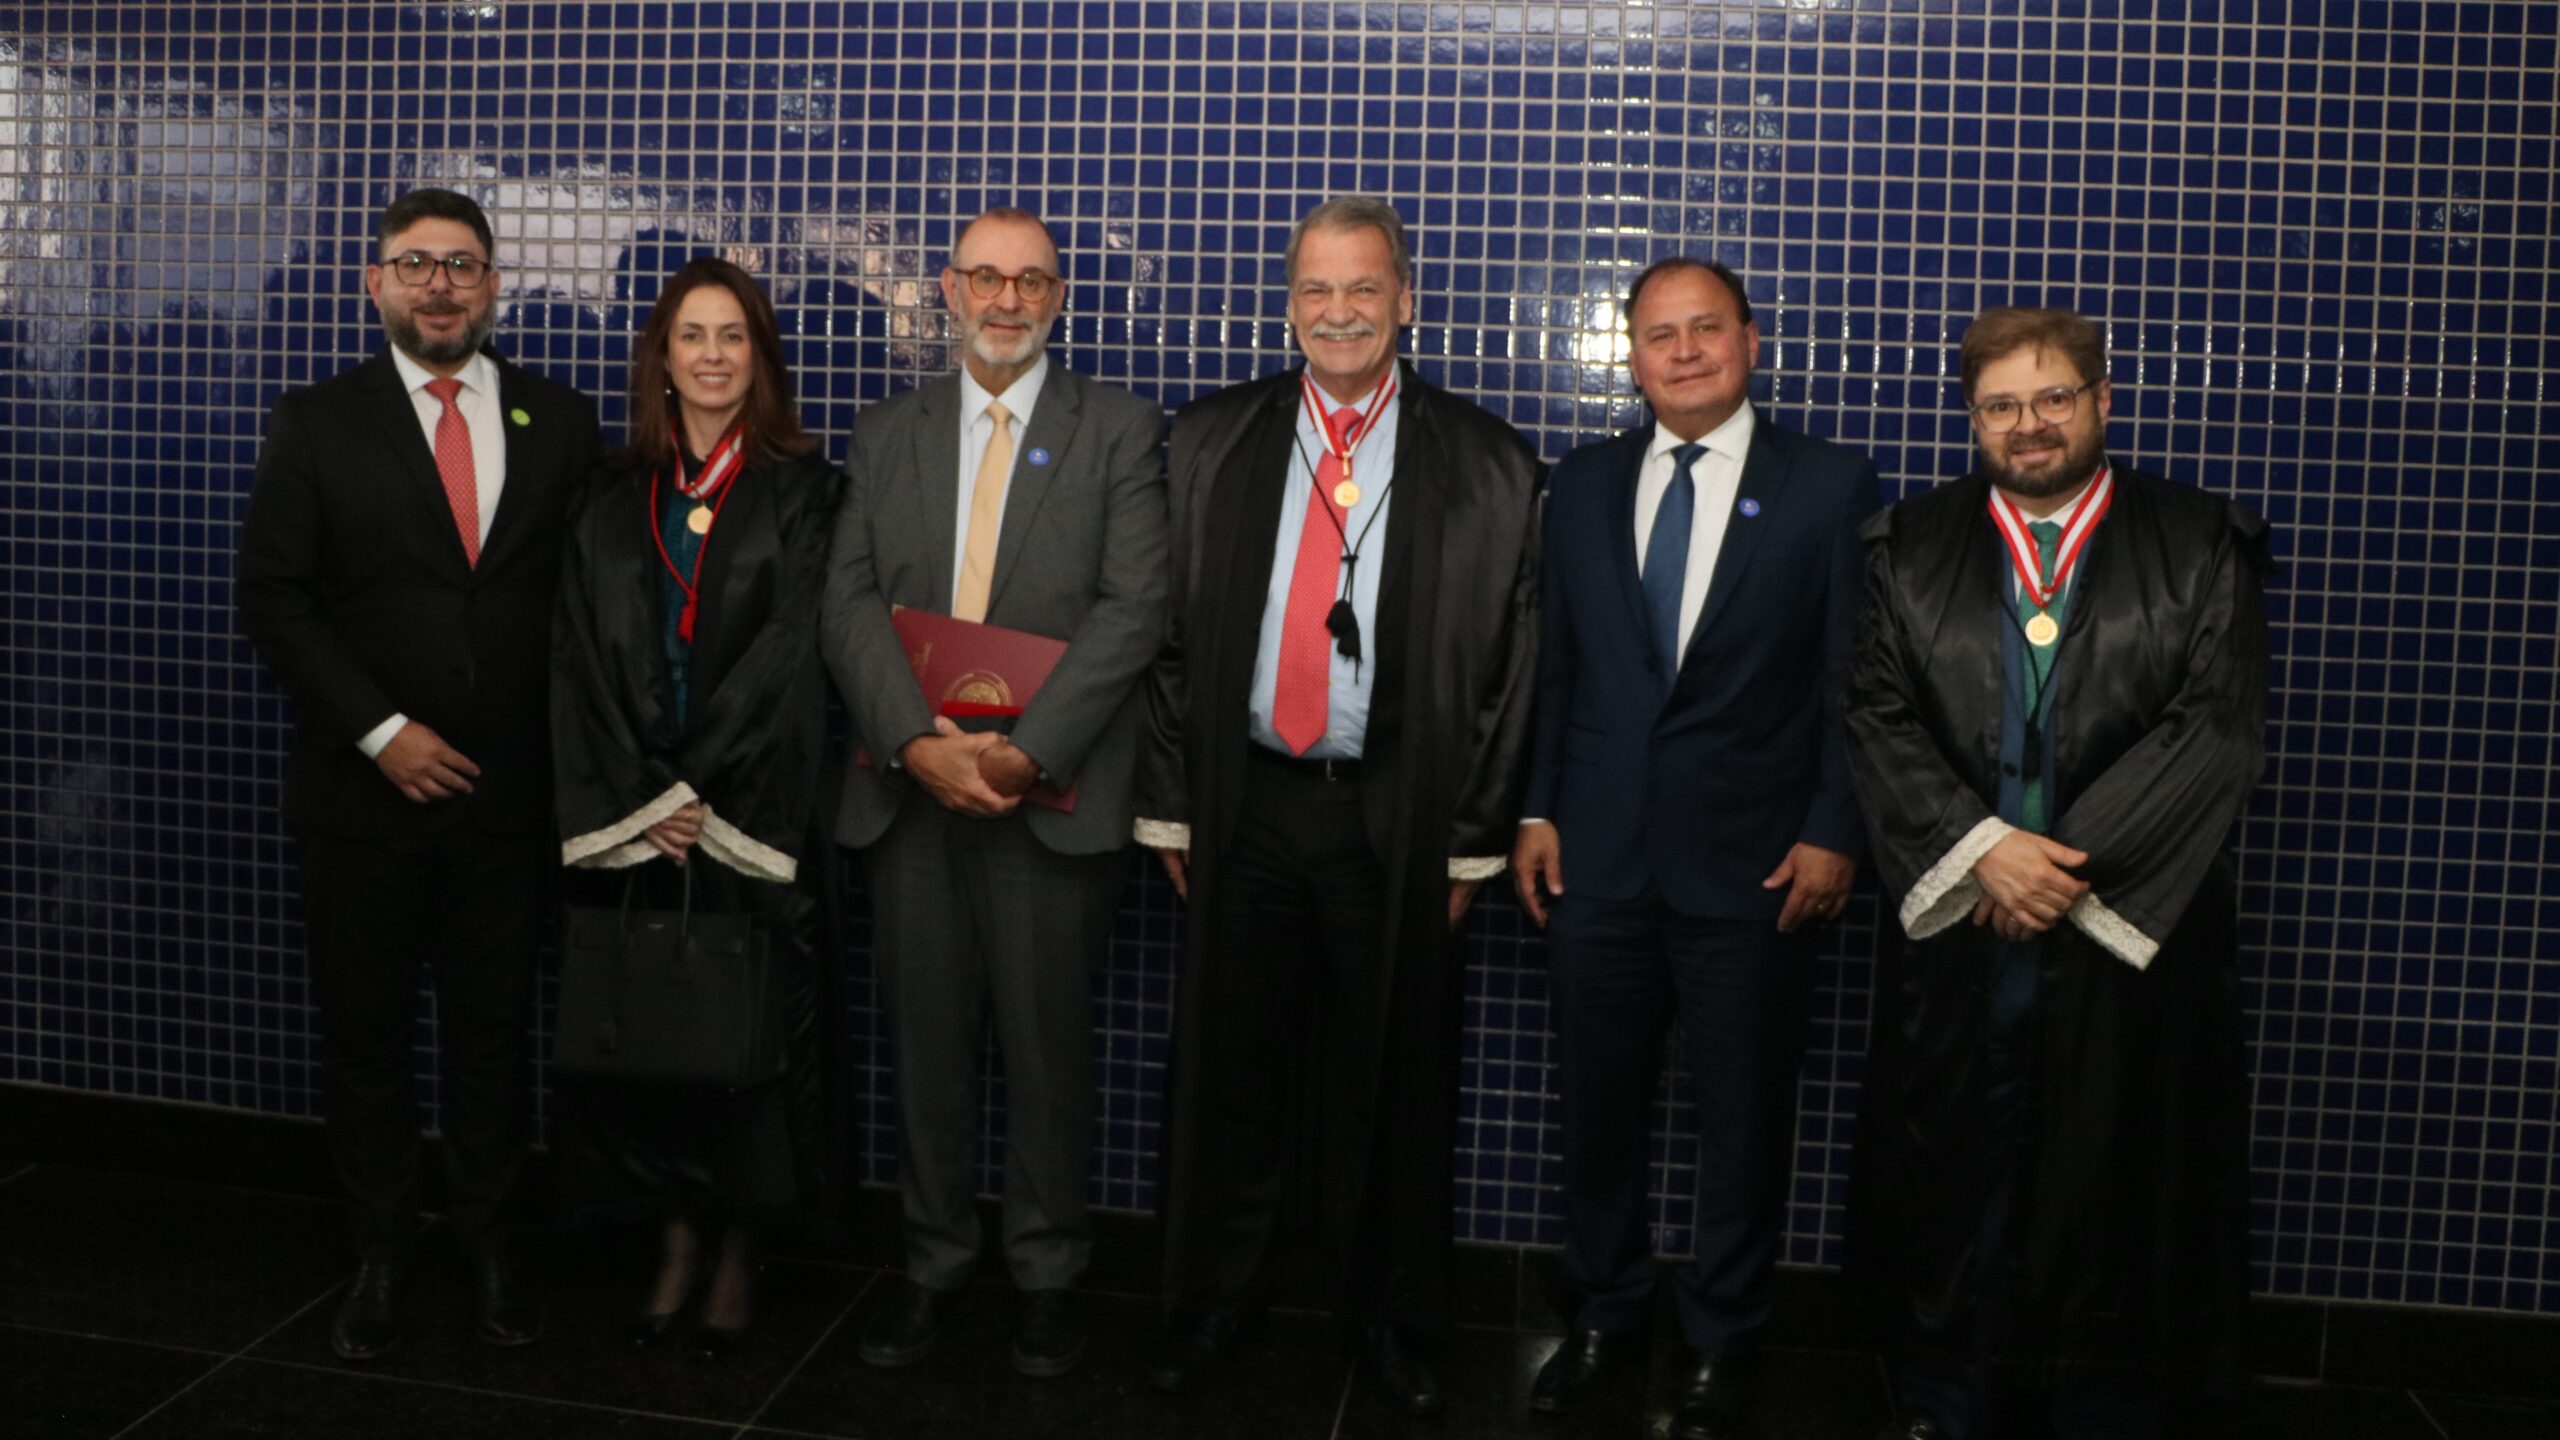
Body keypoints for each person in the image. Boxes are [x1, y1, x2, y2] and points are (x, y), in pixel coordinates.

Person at [1134, 196, 1542, 1416]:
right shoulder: (1210, 439)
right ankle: (1216, 1304)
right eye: (1316, 290)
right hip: (1245, 803)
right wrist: (1169, 812)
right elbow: (1164, 646)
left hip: (1398, 815)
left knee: (1393, 1078)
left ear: (1405, 300)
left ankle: (1395, 1320)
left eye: (1364, 289)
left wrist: (1470, 844)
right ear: (1290, 304)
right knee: (1233, 1070)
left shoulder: (1486, 459)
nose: (1340, 313)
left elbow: (1513, 666)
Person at [1843, 306, 2269, 1440]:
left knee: (2117, 1168)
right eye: (2000, 405)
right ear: (1971, 417)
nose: (2028, 426)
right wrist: (1985, 853)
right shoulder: (1906, 545)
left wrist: (2061, 873)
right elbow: (1875, 715)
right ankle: (1948, 1393)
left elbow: (2214, 729)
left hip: (2125, 933)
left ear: (2099, 402)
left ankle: (2104, 1401)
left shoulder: (2199, 541)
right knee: (1954, 1167)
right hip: (1967, 929)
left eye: (2051, 399)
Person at [1509, 257, 1880, 1438]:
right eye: (1657, 335)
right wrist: (1533, 809)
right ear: (1631, 356)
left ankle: (1721, 1339)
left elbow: (1851, 685)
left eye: (1704, 329)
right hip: (1595, 864)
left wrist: (1834, 831)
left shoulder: (1826, 486)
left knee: (1742, 1122)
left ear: (1750, 340)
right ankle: (1609, 1312)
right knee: (1595, 1112)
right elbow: (1554, 670)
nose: (1682, 352)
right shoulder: (1580, 483)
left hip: (1755, 871)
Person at [237, 187, 602, 1360]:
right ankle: (383, 1258)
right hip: (363, 800)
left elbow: (584, 611)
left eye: (461, 264)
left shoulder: (562, 418)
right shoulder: (315, 421)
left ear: (494, 285)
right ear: (375, 283)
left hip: (507, 800)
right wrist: (380, 731)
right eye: (414, 264)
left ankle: (494, 1250)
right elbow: (275, 601)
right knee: (369, 1035)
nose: (439, 284)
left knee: (496, 1036)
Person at [821, 207, 1168, 1378]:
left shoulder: (1117, 430)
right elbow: (848, 602)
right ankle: (929, 1268)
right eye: (983, 278)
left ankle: (1047, 1278)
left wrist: (1027, 752)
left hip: (1049, 800)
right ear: (947, 290)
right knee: (923, 1054)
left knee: (1047, 1055)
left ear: (1059, 296)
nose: (1006, 300)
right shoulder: (887, 432)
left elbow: (1135, 610)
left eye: (1030, 281)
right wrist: (917, 744)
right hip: (911, 796)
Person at [550, 256, 842, 1358]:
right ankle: (670, 1234)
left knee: (748, 1039)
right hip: (635, 812)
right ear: (661, 361)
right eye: (691, 337)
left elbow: (793, 656)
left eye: (734, 337)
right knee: (651, 1042)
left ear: (759, 360)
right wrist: (639, 796)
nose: (713, 356)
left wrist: (698, 792)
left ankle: (738, 1245)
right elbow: (575, 651)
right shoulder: (608, 491)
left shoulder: (808, 493)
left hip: (747, 808)